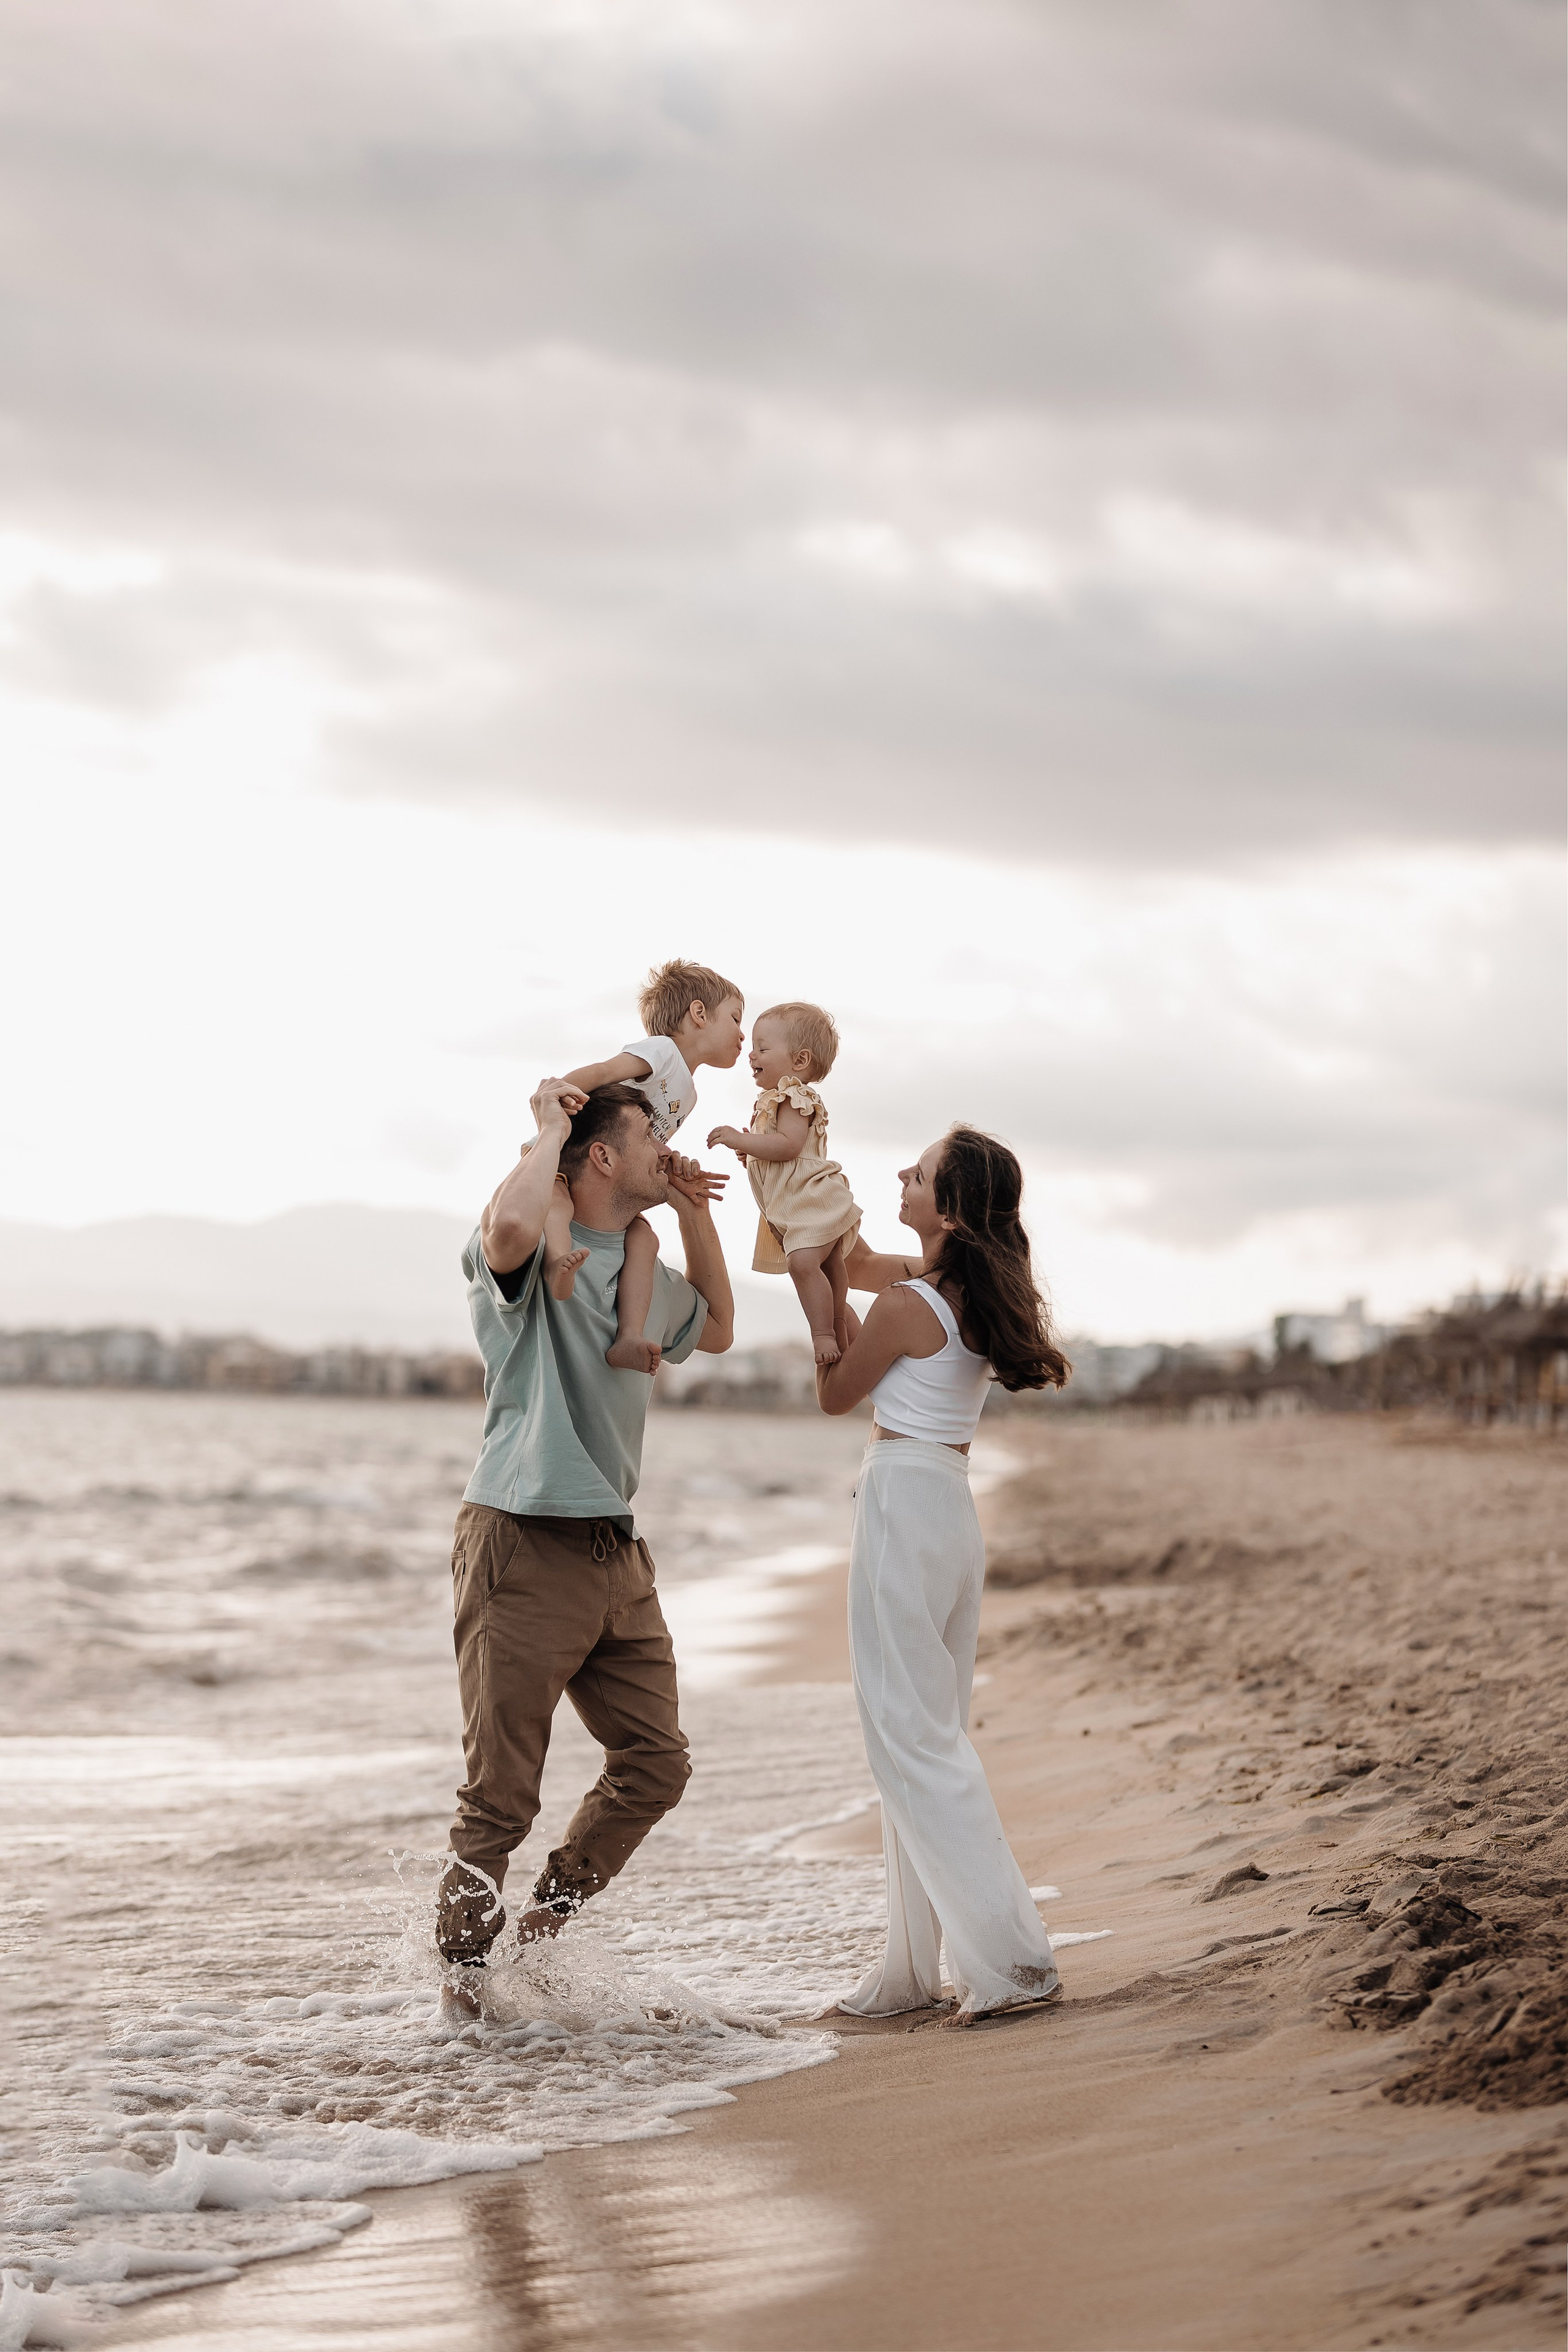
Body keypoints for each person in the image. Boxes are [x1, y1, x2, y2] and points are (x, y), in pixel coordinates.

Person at [436, 1076, 735, 2016]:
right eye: (651, 1133)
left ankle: (534, 1942)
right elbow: (506, 1229)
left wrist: (691, 1208)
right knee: (500, 1799)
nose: (667, 1145)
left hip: (616, 1551)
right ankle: (460, 1997)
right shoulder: (537, 1246)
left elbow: (720, 1328)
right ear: (601, 1154)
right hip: (523, 1541)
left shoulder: (642, 1263)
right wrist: (546, 1129)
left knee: (656, 1765)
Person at [815, 1126, 1071, 2026]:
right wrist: (806, 1183)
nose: (902, 1173)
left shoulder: (907, 1305)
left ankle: (1013, 1963)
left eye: (918, 1174)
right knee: (924, 1736)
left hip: (901, 1504)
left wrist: (820, 1317)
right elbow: (846, 1260)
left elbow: (835, 1394)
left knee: (913, 1742)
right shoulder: (959, 1290)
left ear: (951, 1210)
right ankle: (909, 1972)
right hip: (949, 1510)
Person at [532, 959, 746, 1375]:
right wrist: (556, 1105)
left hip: (602, 1168)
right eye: (736, 1019)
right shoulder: (661, 1052)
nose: (742, 1035)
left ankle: (629, 1335)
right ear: (699, 1014)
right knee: (555, 1203)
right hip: (566, 1149)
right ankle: (558, 1261)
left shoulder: (689, 1095)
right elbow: (604, 1071)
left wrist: (674, 1176)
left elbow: (648, 1144)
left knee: (645, 1240)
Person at [706, 1001, 861, 1365]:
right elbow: (778, 1152)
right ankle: (838, 1323)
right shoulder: (775, 1100)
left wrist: (741, 1139)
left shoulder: (793, 1097)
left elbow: (789, 1146)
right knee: (829, 1265)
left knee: (803, 1264)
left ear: (800, 1060)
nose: (751, 1055)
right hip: (798, 1204)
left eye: (762, 1048)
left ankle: (823, 1333)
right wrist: (752, 1152)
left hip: (810, 1201)